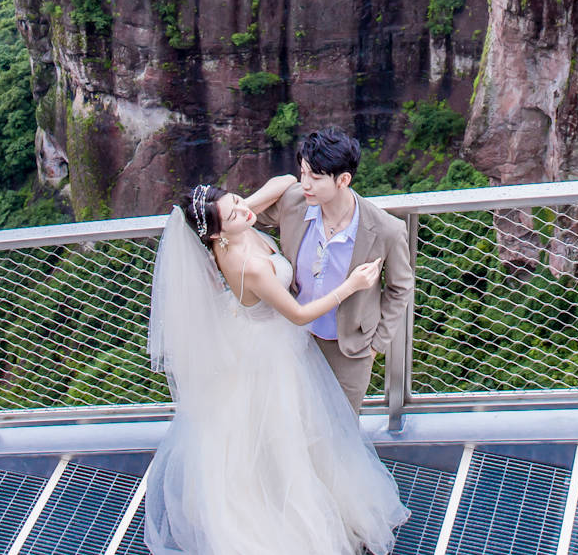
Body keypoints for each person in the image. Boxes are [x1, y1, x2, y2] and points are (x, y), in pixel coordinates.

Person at [140, 183, 409, 555]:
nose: (244, 211)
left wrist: (238, 209)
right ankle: (297, 522)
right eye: (233, 214)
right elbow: (298, 315)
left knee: (296, 437)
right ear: (215, 235)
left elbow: (284, 181)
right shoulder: (248, 266)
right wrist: (352, 285)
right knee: (288, 440)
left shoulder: (231, 232)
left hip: (260, 334)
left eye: (236, 199)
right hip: (272, 350)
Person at [247, 129, 415, 412]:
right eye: (302, 173)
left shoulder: (386, 229)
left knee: (340, 430)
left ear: (343, 180)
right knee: (292, 420)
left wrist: (376, 345)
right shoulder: (294, 202)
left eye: (315, 177)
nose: (305, 184)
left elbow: (400, 287)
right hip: (293, 336)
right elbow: (246, 219)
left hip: (348, 348)